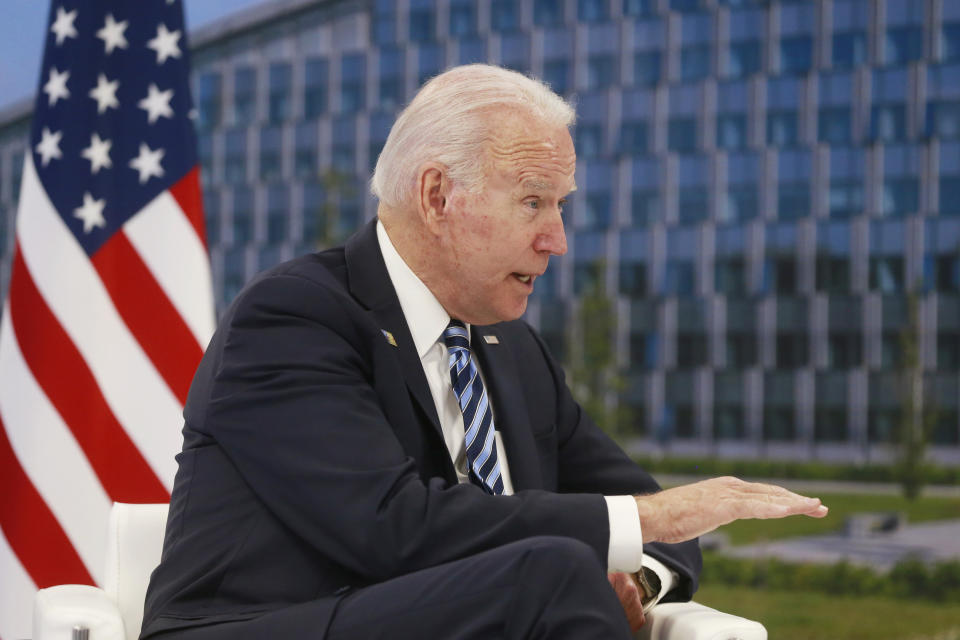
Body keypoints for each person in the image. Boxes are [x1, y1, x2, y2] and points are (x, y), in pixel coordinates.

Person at [140, 64, 827, 640]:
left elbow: (646, 506)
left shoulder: (510, 348)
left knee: (565, 564)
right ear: (437, 195)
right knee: (554, 571)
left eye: (561, 206)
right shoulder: (293, 317)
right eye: (533, 202)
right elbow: (390, 530)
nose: (557, 240)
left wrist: (640, 577)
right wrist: (643, 522)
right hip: (269, 625)